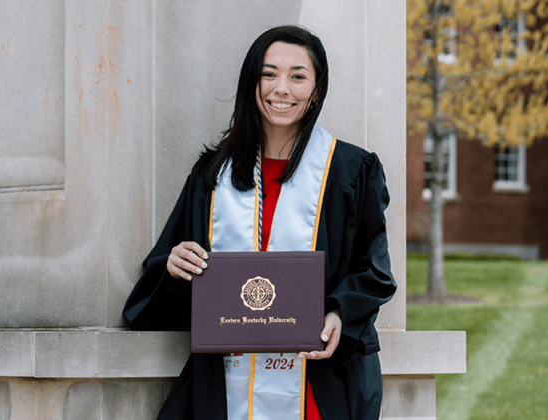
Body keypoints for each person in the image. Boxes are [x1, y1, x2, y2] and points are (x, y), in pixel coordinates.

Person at [122, 25, 396, 420]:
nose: (281, 88)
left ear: (316, 89)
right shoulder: (212, 175)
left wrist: (338, 314)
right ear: (251, 81)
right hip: (226, 387)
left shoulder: (351, 172)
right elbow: (161, 295)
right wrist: (174, 266)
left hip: (317, 384)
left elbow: (373, 270)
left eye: (298, 76)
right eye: (269, 74)